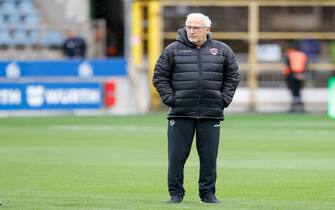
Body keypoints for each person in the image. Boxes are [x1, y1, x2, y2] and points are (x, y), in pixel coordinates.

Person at [153, 13, 239, 204]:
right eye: (189, 27)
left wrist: (223, 99)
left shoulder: (222, 50)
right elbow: (159, 76)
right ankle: (175, 194)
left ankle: (207, 194)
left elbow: (232, 77)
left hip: (211, 112)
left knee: (209, 158)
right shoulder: (172, 50)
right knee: (176, 158)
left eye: (196, 27)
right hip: (180, 112)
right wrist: (170, 99)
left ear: (207, 30)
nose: (191, 31)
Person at [283, 43, 308, 113]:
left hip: (292, 75)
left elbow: (288, 65)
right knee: (298, 92)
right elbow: (306, 65)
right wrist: (302, 74)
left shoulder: (290, 54)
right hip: (301, 75)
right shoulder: (303, 55)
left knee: (294, 92)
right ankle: (300, 108)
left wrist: (294, 74)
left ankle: (294, 108)